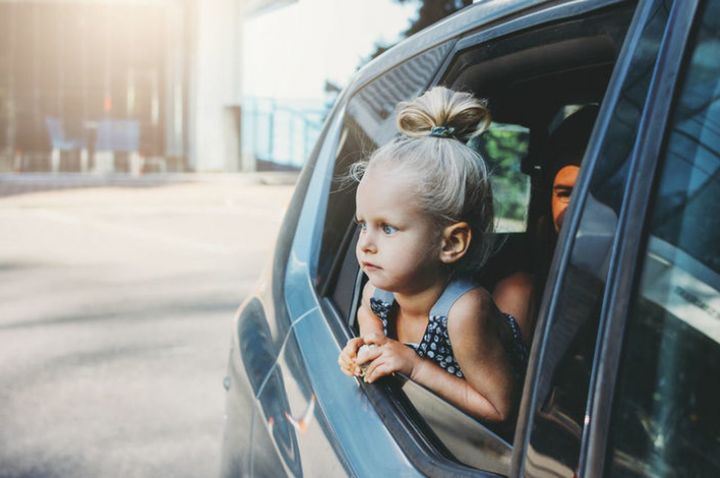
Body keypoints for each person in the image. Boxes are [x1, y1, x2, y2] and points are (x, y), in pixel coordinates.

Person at [337, 87, 528, 423]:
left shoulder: (464, 312)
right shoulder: (377, 290)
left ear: (450, 243)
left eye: (388, 228)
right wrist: (368, 345)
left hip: (500, 353)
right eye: (362, 224)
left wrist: (413, 366)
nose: (366, 243)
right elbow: (368, 314)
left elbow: (501, 409)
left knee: (521, 288)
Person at [493, 105, 599, 341]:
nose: (581, 209)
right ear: (546, 199)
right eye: (567, 193)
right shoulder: (521, 296)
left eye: (599, 193)